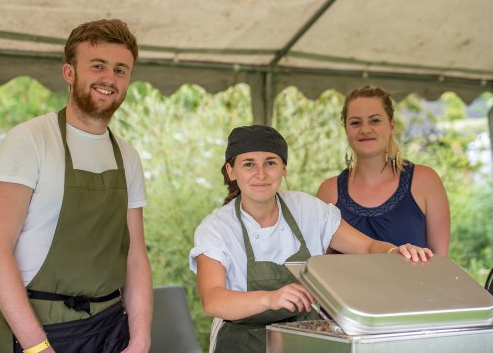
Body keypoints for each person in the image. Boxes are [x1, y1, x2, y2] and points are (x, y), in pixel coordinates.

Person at [0, 19, 152, 353]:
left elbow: (135, 256)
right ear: (69, 73)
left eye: (121, 70)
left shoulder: (127, 156)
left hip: (112, 330)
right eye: (98, 66)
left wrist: (141, 339)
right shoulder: (29, 141)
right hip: (42, 331)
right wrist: (37, 347)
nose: (109, 79)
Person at [189, 125, 432, 353]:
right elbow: (213, 300)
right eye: (249, 164)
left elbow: (367, 245)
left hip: (303, 337)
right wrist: (271, 298)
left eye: (270, 163)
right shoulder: (216, 228)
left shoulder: (307, 209)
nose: (261, 174)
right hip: (241, 342)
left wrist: (395, 253)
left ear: (284, 169)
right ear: (231, 171)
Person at [317, 85, 450, 256]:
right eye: (356, 122)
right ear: (346, 130)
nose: (365, 129)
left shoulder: (425, 181)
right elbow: (318, 265)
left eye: (375, 120)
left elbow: (440, 263)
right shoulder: (328, 192)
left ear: (392, 127)